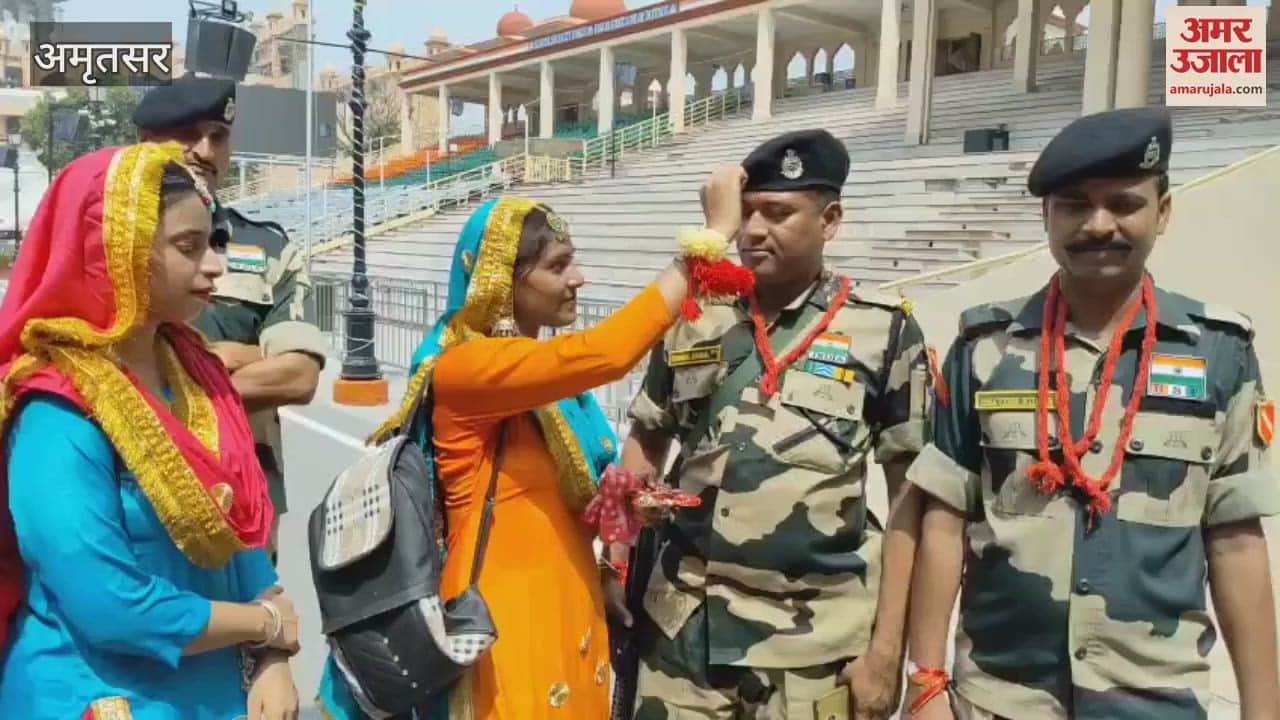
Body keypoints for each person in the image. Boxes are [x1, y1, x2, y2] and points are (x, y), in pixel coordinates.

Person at [317, 168, 746, 719]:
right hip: (501, 628)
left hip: (572, 611)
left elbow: (581, 503)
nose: (579, 278)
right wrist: (711, 238)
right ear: (502, 281)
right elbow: (608, 353)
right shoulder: (465, 370)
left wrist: (613, 562)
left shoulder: (558, 394)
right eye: (557, 266)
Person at [904, 107, 1280, 720]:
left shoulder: (1219, 351)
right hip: (999, 697)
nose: (1099, 224)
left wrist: (1264, 710)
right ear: (1046, 217)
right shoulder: (985, 349)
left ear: (1163, 212)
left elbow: (1235, 540)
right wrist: (925, 682)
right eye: (1075, 204)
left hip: (1155, 698)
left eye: (1124, 204)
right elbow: (945, 519)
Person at [617, 128, 932, 720]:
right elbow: (644, 437)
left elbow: (911, 498)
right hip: (682, 640)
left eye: (780, 213)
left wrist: (889, 654)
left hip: (814, 650)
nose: (755, 231)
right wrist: (617, 555)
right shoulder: (693, 317)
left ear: (830, 220)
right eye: (749, 214)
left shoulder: (884, 332)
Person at [0, 143, 302, 718]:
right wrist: (264, 624)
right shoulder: (56, 407)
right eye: (188, 248)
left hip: (216, 689)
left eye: (212, 242)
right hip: (99, 695)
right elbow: (109, 606)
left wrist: (274, 657)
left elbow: (239, 530)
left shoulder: (197, 372)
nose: (215, 265)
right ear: (117, 251)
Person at [133, 75, 327, 558]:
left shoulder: (268, 246)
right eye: (187, 134)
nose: (204, 150)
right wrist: (238, 357)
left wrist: (172, 385)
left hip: (246, 492)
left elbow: (298, 376)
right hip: (133, 484)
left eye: (218, 136)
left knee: (258, 626)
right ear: (145, 143)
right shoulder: (107, 242)